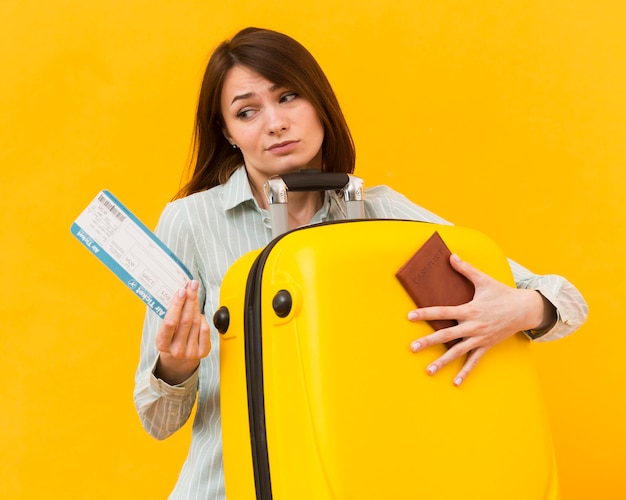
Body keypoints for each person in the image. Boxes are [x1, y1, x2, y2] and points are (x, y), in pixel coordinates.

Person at [134, 27, 588, 499]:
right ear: (227, 132)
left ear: (319, 102)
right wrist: (176, 366)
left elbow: (566, 300)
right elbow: (156, 419)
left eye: (288, 97)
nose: (274, 123)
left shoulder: (381, 213)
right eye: (247, 112)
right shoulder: (190, 221)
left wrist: (520, 310)